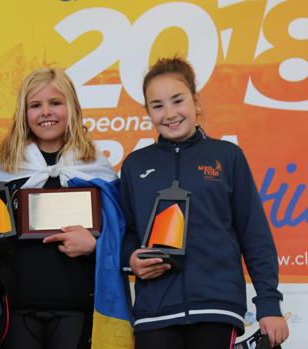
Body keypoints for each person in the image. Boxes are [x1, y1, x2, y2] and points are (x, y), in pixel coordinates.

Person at [120, 56, 289, 349]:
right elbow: (128, 232)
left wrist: (269, 304)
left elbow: (254, 235)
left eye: (177, 100)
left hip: (216, 309)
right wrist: (131, 260)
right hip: (155, 313)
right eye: (157, 106)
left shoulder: (227, 156)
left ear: (196, 101)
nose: (169, 113)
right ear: (147, 112)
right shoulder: (135, 165)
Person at [0, 67, 131, 349]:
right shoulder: (2, 170)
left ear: (72, 108)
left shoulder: (96, 169)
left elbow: (119, 234)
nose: (46, 112)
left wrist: (94, 245)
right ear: (23, 113)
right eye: (35, 105)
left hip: (77, 306)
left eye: (55, 103)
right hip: (16, 308)